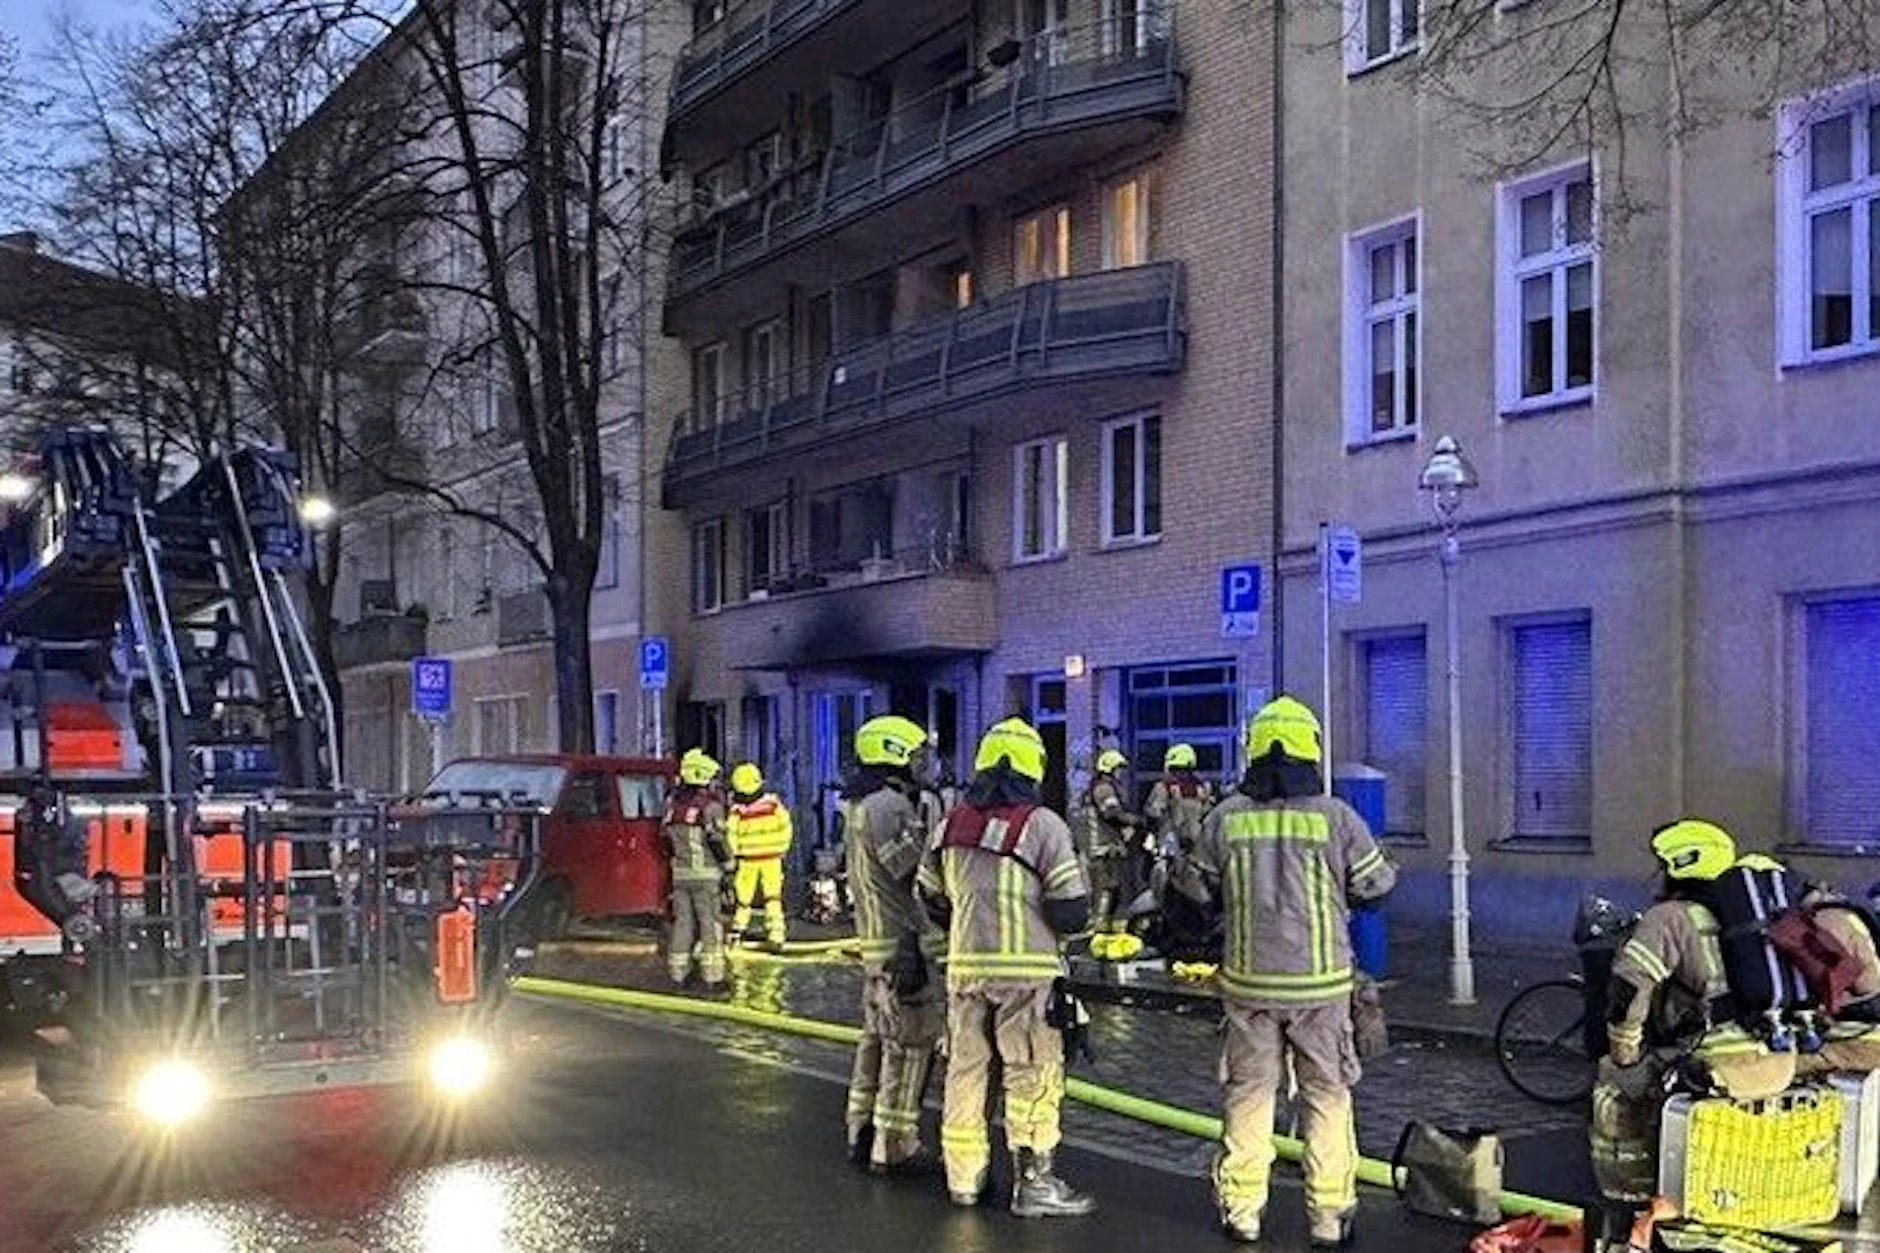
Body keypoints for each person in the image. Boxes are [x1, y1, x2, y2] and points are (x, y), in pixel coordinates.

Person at [1192, 696, 1396, 1246]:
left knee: (1249, 1096)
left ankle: (1242, 1211)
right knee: (1327, 1098)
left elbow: (1194, 894)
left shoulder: (1225, 819)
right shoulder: (1336, 818)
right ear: (1312, 750)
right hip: (1321, 988)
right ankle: (1329, 1217)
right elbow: (1376, 889)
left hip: (1248, 985)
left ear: (1253, 752)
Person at [920, 717, 1095, 1218]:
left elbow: (931, 898)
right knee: (1032, 1074)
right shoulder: (1042, 825)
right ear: (1032, 769)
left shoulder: (949, 825)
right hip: (1028, 977)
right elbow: (1070, 911)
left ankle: (963, 1179)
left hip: (965, 970)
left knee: (967, 1073)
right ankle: (1035, 1186)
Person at [1589, 820, 1797, 1201]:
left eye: (1661, 865)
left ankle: (1630, 1195)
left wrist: (1623, 1053)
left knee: (1614, 1087)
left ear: (1679, 866)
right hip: (1776, 1058)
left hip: (1717, 1061)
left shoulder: (1669, 918)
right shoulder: (1750, 918)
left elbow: (1629, 989)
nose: (1656, 876)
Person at [840, 715, 945, 1174]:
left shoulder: (862, 804)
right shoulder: (888, 806)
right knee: (911, 1043)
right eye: (918, 754)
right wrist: (936, 831)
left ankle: (861, 1129)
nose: (925, 764)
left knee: (875, 1041)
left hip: (875, 944)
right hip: (902, 945)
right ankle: (895, 1140)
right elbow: (913, 871)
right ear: (895, 755)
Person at [662, 748, 733, 988]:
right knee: (710, 924)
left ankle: (678, 973)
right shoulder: (710, 807)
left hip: (679, 876)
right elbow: (717, 841)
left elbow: (664, 841)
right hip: (706, 876)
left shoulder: (672, 806)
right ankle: (713, 977)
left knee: (683, 923)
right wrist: (729, 866)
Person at [726, 762, 793, 949]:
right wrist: (782, 848)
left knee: (743, 897)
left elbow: (730, 834)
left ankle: (738, 930)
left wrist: (734, 854)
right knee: (773, 897)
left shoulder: (737, 810)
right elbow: (786, 827)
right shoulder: (773, 804)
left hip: (747, 859)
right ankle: (776, 934)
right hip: (772, 858)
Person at [1081, 747, 1142, 932]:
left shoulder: (1100, 786)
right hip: (1103, 848)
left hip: (1105, 846)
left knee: (1111, 889)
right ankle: (1098, 930)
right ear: (1109, 768)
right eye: (1118, 768)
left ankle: (1103, 927)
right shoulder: (1104, 788)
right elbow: (1112, 814)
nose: (1120, 773)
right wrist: (1135, 821)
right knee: (1106, 889)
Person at [1144, 743, 1213, 858]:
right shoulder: (1203, 787)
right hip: (1197, 847)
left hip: (1170, 846)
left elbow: (1154, 814)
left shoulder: (1163, 786)